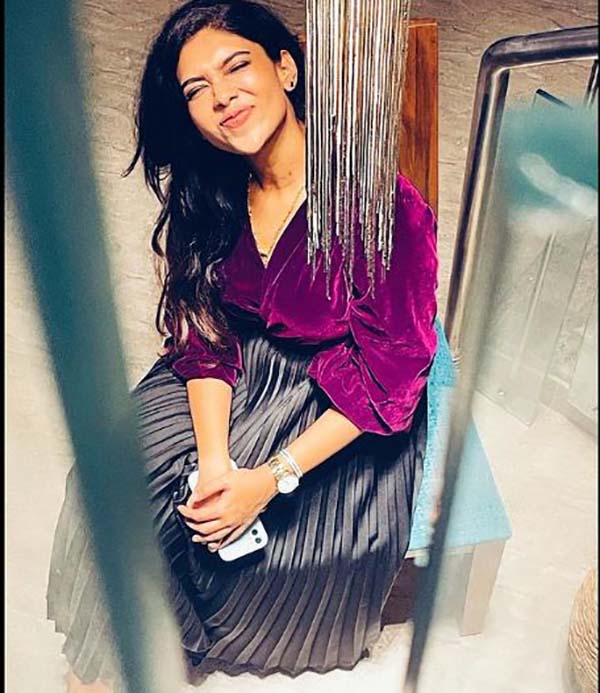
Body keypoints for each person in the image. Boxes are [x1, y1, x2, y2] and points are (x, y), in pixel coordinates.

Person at [46, 1, 439, 690]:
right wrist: (215, 458)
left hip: (339, 398)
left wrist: (269, 478)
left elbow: (394, 377)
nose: (222, 96)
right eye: (197, 89)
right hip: (227, 368)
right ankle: (111, 662)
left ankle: (145, 659)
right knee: (113, 486)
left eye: (236, 67)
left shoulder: (382, 204)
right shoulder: (210, 190)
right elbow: (201, 331)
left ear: (285, 68)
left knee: (255, 550)